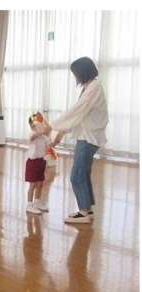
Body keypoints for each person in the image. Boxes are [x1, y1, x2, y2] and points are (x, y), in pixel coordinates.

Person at [49, 56, 108, 224]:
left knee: (77, 175)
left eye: (75, 73)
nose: (75, 77)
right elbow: (79, 116)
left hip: (88, 138)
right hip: (87, 137)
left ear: (83, 72)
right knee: (83, 174)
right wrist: (60, 133)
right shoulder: (90, 87)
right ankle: (87, 210)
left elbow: (76, 111)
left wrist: (52, 126)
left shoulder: (93, 88)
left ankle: (83, 212)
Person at [25, 112, 51, 215]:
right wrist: (43, 129)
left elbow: (49, 147)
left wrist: (47, 162)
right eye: (37, 125)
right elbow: (36, 135)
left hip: (41, 162)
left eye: (41, 124)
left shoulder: (44, 137)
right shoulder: (32, 134)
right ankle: (29, 205)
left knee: (40, 184)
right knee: (33, 185)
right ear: (32, 127)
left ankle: (37, 202)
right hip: (32, 163)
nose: (41, 126)